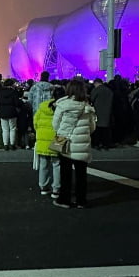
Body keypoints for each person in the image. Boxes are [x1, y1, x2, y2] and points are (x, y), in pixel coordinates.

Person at [52, 79, 97, 208]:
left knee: (65, 173)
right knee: (81, 174)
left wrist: (64, 132)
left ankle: (64, 200)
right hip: (81, 143)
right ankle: (81, 201)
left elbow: (55, 125)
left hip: (63, 140)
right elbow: (92, 127)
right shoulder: (87, 106)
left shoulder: (62, 104)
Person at [33, 86, 65, 198]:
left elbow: (35, 122)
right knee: (57, 164)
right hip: (58, 138)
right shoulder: (63, 107)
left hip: (42, 139)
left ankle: (43, 187)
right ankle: (56, 189)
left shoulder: (42, 107)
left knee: (43, 164)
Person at [0, 78, 20, 150]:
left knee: (5, 129)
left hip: (2, 111)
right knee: (12, 128)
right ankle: (12, 144)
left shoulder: (0, 92)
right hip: (12, 111)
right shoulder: (14, 92)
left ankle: (5, 145)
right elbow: (17, 103)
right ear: (12, 84)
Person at [90, 77, 113, 149]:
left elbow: (92, 99)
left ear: (96, 83)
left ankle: (96, 143)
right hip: (107, 112)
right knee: (106, 129)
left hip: (97, 112)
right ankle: (105, 144)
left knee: (97, 129)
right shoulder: (109, 90)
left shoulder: (96, 90)